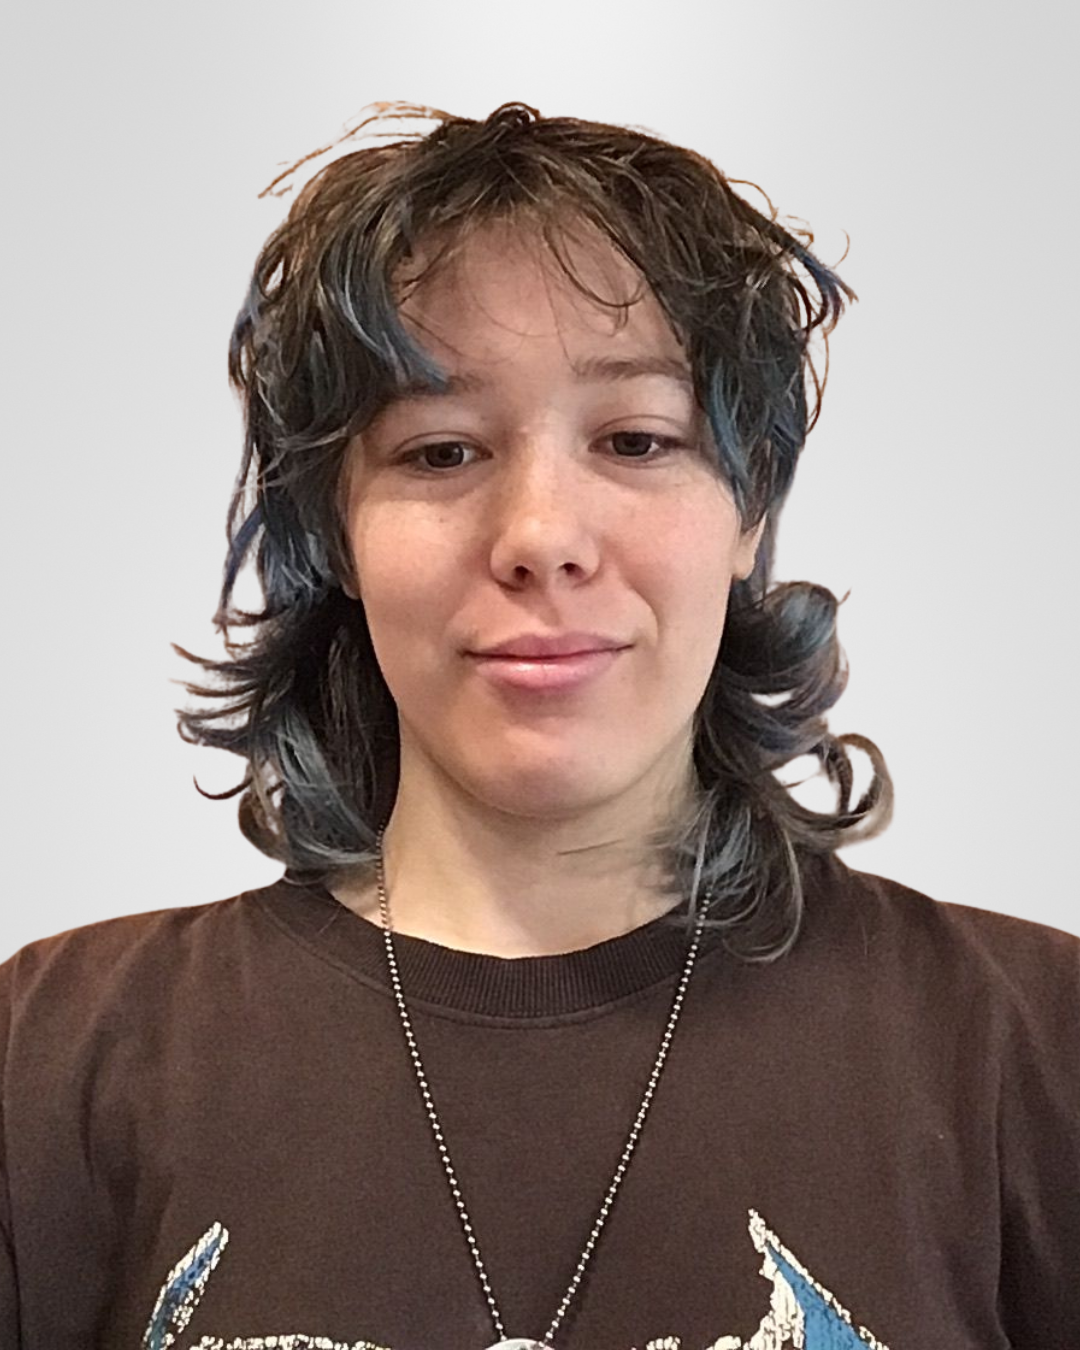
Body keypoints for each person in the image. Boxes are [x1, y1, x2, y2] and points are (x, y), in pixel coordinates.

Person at [1, 101, 1076, 1350]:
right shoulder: (53, 1059)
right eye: (440, 452)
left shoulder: (1030, 1050)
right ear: (336, 528)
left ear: (748, 509)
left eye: (637, 439)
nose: (540, 537)